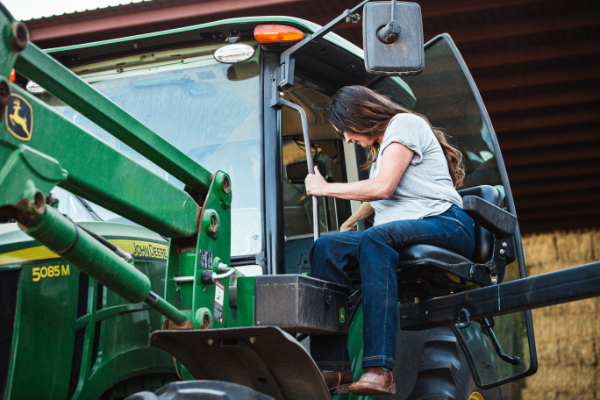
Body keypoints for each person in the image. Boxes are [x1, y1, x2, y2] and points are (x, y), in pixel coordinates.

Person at [305, 86, 476, 396]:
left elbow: (384, 188)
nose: (346, 139)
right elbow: (386, 195)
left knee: (376, 239)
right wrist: (350, 222)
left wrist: (324, 187)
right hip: (402, 229)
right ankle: (333, 368)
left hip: (446, 223)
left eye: (344, 129)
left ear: (358, 115)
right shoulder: (386, 145)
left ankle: (379, 369)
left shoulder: (404, 124)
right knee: (327, 247)